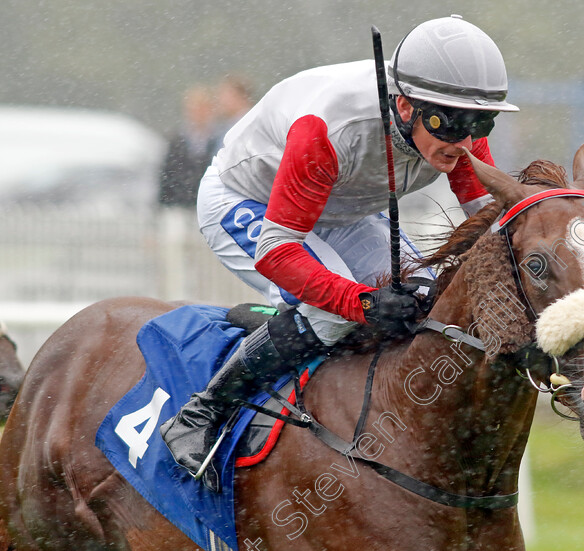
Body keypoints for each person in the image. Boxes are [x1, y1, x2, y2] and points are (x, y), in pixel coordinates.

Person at [160, 15, 519, 492]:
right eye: (449, 124)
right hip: (254, 204)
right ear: (405, 106)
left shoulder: (455, 118)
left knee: (424, 297)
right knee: (337, 313)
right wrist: (362, 303)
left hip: (340, 208)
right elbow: (277, 251)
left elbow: (497, 223)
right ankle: (204, 409)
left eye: (480, 123)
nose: (463, 141)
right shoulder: (328, 128)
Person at [158, 85, 218, 209]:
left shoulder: (218, 140)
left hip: (209, 205)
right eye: (194, 109)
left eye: (202, 109)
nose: (198, 113)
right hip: (180, 206)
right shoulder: (176, 141)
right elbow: (167, 175)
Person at [211, 74, 255, 153]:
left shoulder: (248, 125)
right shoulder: (227, 126)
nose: (220, 99)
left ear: (239, 96)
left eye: (224, 94)